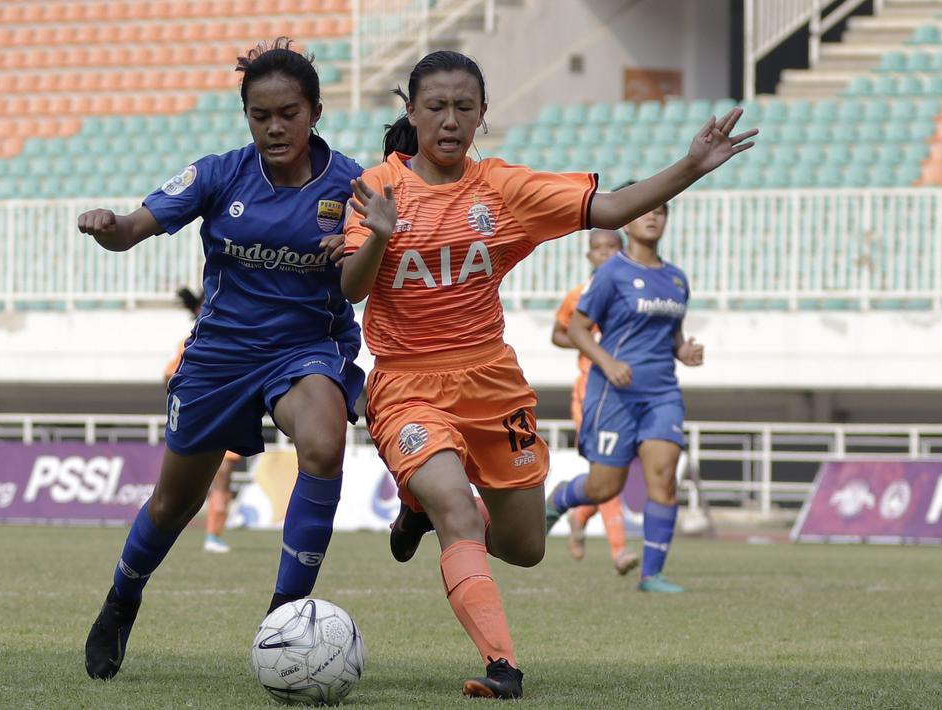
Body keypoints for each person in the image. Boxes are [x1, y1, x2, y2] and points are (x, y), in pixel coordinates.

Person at [341, 51, 753, 699]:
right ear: (412, 113)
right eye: (435, 107)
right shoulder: (375, 187)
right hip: (406, 383)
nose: (449, 121)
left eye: (463, 107)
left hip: (490, 383)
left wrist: (691, 167)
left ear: (481, 115)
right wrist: (377, 236)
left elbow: (612, 209)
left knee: (525, 545)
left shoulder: (503, 189)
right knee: (460, 514)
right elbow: (350, 289)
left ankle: (416, 508)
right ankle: (502, 664)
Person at [76, 38, 366, 681]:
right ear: (246, 117)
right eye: (260, 116)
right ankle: (121, 601)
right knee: (171, 506)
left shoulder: (352, 184)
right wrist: (108, 225)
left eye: (288, 112)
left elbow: (362, 277)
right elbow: (130, 230)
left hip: (305, 349)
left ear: (315, 111)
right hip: (219, 358)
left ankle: (286, 618)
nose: (274, 127)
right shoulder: (217, 174)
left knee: (322, 444)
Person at [546, 181, 704, 594]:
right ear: (628, 219)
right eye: (646, 209)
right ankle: (561, 498)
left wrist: (684, 351)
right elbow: (577, 329)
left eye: (661, 210)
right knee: (605, 487)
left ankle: (651, 574)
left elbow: (672, 336)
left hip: (661, 394)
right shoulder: (612, 271)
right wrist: (608, 362)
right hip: (613, 393)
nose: (653, 215)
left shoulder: (676, 280)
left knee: (663, 477)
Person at [552, 229, 638, 575]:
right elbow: (559, 333)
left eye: (611, 248)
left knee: (613, 474)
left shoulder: (634, 292)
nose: (603, 254)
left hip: (629, 393)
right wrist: (591, 343)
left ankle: (580, 514)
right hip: (591, 394)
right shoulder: (580, 294)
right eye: (596, 248)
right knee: (606, 467)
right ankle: (620, 551)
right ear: (589, 257)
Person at [165, 286, 241, 554]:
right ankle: (209, 534)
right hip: (209, 418)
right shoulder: (196, 339)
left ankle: (213, 534)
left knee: (220, 480)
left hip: (222, 418)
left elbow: (169, 377)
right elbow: (171, 376)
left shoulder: (232, 335)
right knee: (213, 480)